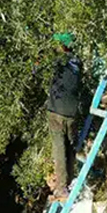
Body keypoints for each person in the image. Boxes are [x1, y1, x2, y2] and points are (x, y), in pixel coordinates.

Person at [47, 32, 83, 198]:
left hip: (56, 110)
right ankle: (69, 183)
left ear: (62, 46)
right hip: (72, 112)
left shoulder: (58, 60)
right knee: (70, 146)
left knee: (59, 148)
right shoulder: (78, 62)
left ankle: (62, 188)